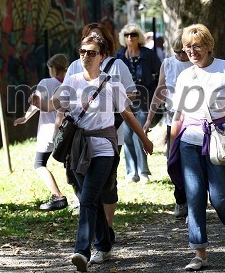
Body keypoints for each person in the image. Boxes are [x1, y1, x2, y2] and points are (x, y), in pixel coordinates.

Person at [31, 33, 154, 271]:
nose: (86, 56)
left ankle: (81, 252)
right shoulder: (72, 80)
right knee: (92, 200)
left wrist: (144, 139)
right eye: (83, 52)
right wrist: (39, 103)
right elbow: (55, 105)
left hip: (104, 149)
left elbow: (127, 115)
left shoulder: (111, 84)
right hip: (77, 149)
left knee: (87, 198)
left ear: (102, 56)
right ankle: (105, 244)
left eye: (92, 52)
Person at [168, 24, 225, 271]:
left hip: (220, 139)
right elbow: (178, 115)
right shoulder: (184, 75)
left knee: (219, 197)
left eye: (197, 46)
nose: (192, 51)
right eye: (187, 47)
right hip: (189, 143)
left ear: (208, 46)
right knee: (194, 198)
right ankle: (199, 254)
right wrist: (172, 146)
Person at [66, 22, 136, 244]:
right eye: (85, 45)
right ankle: (104, 238)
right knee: (86, 192)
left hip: (109, 136)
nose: (86, 54)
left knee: (103, 187)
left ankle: (86, 246)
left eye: (95, 44)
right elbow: (60, 102)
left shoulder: (116, 68)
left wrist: (111, 108)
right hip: (78, 141)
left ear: (104, 48)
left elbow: (129, 100)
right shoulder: (74, 70)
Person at [143, 29, 192, 218]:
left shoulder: (196, 64)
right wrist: (149, 118)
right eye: (177, 52)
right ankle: (180, 199)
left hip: (195, 121)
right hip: (174, 121)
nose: (180, 55)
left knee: (194, 163)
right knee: (173, 162)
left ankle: (195, 202)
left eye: (183, 52)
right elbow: (160, 90)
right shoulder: (168, 64)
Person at [14, 54, 69, 211]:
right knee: (71, 166)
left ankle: (57, 196)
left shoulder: (45, 83)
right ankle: (81, 199)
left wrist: (25, 118)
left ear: (52, 69)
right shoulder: (70, 82)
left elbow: (36, 104)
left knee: (39, 164)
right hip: (65, 131)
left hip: (47, 131)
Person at [116, 23, 161, 184]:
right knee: (127, 135)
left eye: (133, 34)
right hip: (125, 101)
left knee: (139, 133)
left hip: (144, 100)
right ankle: (131, 172)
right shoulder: (120, 55)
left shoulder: (148, 54)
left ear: (139, 37)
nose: (130, 37)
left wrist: (154, 94)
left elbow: (159, 75)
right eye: (127, 35)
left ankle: (143, 172)